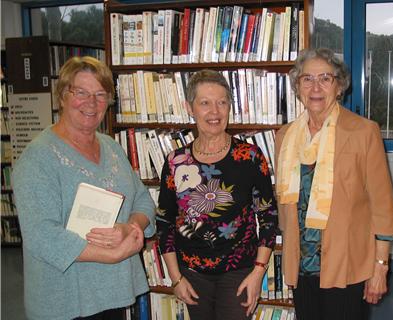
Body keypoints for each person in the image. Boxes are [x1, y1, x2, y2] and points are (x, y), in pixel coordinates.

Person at [12, 56, 156, 320]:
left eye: (100, 94)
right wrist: (112, 255)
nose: (91, 103)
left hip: (113, 293)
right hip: (65, 301)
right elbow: (42, 235)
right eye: (81, 92)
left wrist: (130, 227)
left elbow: (143, 200)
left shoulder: (111, 147)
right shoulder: (37, 158)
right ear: (62, 96)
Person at [275, 48, 393, 320]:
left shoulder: (363, 131)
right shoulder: (285, 137)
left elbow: (383, 206)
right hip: (301, 264)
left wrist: (380, 267)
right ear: (297, 86)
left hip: (347, 264)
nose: (316, 87)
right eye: (307, 79)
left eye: (325, 78)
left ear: (339, 85)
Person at [156, 69, 278, 320]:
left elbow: (268, 218)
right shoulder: (175, 161)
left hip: (240, 272)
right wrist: (175, 277)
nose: (215, 111)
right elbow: (165, 222)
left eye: (222, 102)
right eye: (205, 103)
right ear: (190, 108)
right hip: (191, 273)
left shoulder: (250, 157)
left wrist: (258, 272)